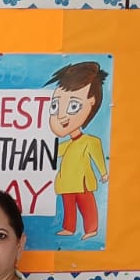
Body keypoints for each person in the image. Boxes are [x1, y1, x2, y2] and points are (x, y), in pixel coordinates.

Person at [48, 62, 108, 239]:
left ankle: (91, 229)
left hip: (82, 183)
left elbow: (98, 157)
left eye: (73, 106)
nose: (61, 116)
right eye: (55, 107)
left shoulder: (91, 141)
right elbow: (50, 152)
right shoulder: (66, 145)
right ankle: (69, 227)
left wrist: (103, 173)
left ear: (92, 102)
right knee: (68, 205)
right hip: (66, 182)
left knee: (86, 204)